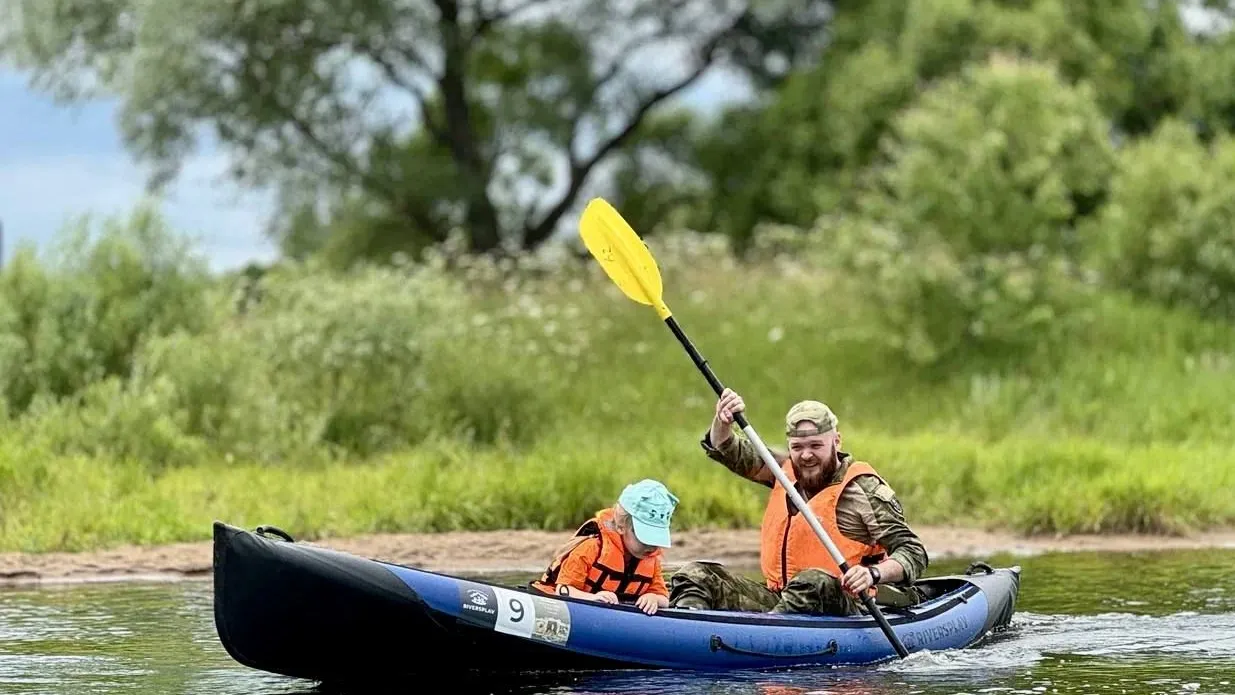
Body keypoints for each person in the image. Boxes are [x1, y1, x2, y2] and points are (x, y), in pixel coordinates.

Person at [668, 389, 929, 616]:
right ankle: (686, 627)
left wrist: (873, 574)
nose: (806, 455)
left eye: (816, 445)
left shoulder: (865, 490)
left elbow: (913, 552)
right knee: (697, 574)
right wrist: (722, 420)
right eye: (797, 447)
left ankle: (764, 636)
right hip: (782, 600)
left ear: (836, 441)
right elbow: (727, 448)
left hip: (845, 603)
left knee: (813, 582)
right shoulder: (781, 470)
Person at [531, 479, 679, 615]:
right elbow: (563, 590)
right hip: (560, 608)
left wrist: (653, 597)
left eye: (656, 538)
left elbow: (664, 598)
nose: (651, 546)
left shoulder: (651, 558)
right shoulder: (590, 548)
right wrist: (593, 598)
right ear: (621, 527)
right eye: (644, 537)